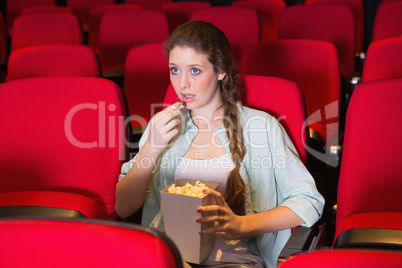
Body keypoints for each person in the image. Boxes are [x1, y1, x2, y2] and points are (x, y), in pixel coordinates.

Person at [115, 20, 325, 268]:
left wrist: (242, 224)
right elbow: (124, 208)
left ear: (221, 71)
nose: (182, 83)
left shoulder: (262, 127)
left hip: (235, 261)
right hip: (170, 259)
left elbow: (308, 201)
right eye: (174, 70)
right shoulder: (162, 126)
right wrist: (151, 149)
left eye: (195, 70)